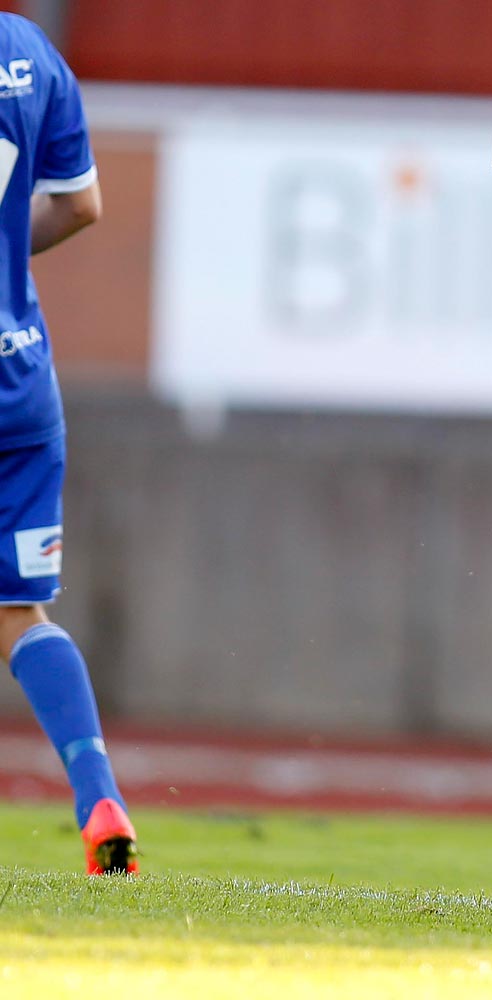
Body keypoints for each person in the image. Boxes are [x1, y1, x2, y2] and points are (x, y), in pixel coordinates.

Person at [0, 13, 137, 875]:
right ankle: (99, 799)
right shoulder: (27, 51)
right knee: (19, 614)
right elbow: (82, 203)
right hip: (19, 378)